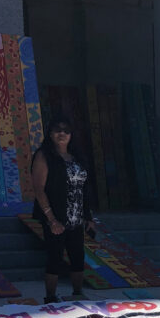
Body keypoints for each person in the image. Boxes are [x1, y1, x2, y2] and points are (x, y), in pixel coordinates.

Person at [31, 115, 96, 303]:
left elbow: (83, 188)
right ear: (50, 133)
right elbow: (39, 189)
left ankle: (77, 294)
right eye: (57, 130)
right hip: (56, 216)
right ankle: (50, 297)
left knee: (77, 256)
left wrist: (88, 217)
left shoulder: (77, 157)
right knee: (55, 257)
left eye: (66, 130)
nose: (62, 133)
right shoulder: (44, 155)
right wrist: (51, 218)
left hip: (76, 216)